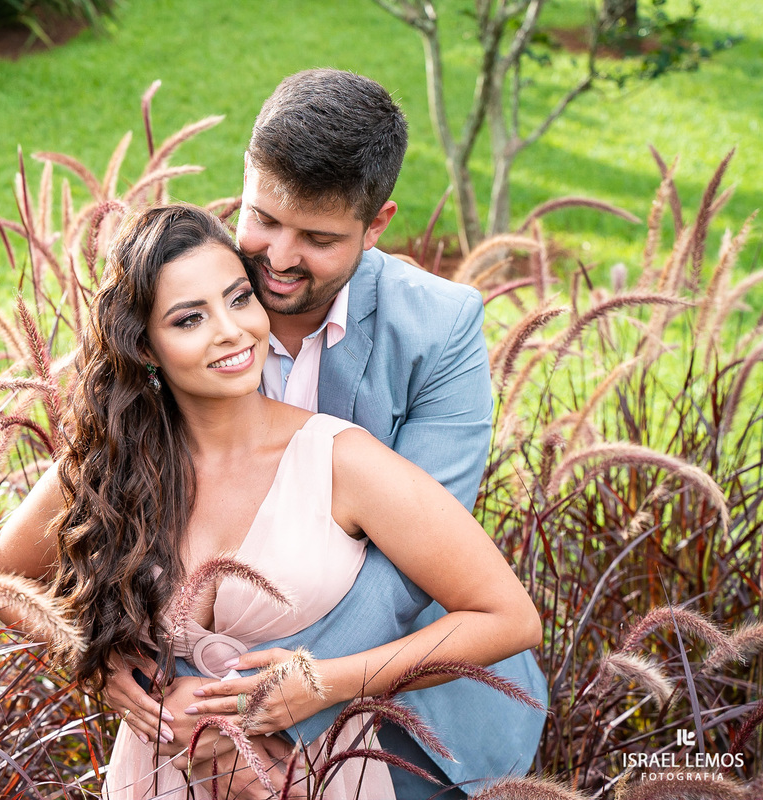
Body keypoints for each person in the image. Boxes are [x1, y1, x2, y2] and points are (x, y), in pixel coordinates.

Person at [0, 203, 542, 799]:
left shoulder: (340, 461)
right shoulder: (110, 464)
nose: (230, 330)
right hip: (159, 776)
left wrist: (322, 683)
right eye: (189, 319)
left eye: (239, 298)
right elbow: (2, 580)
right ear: (145, 347)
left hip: (315, 778)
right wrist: (111, 671)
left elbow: (509, 617)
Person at [102, 70, 549, 799]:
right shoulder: (182, 295)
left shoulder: (440, 330)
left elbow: (400, 574)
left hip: (407, 710)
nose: (277, 257)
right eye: (264, 219)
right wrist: (113, 661)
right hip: (188, 727)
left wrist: (281, 716)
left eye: (317, 238)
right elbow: (98, 491)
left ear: (377, 226)